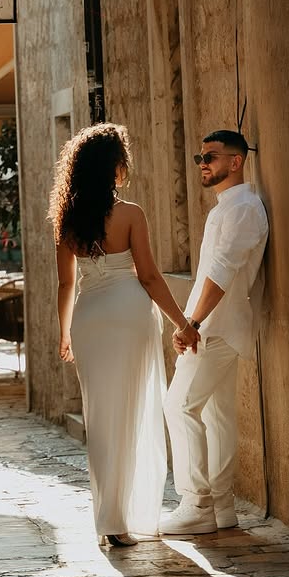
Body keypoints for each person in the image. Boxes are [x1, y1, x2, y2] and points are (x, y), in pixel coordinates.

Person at [50, 122, 193, 547]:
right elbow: (148, 276)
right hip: (130, 315)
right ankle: (125, 518)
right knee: (131, 413)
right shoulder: (131, 214)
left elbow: (64, 284)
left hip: (89, 319)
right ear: (115, 166)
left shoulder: (66, 220)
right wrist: (181, 323)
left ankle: (108, 518)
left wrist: (64, 334)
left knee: (100, 417)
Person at [160, 130, 268, 535]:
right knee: (217, 414)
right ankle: (222, 507)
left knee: (179, 405)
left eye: (211, 157)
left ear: (235, 162)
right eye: (199, 157)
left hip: (216, 328)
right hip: (214, 326)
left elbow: (221, 274)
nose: (202, 163)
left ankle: (196, 502)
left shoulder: (243, 210)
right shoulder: (225, 209)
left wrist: (193, 323)